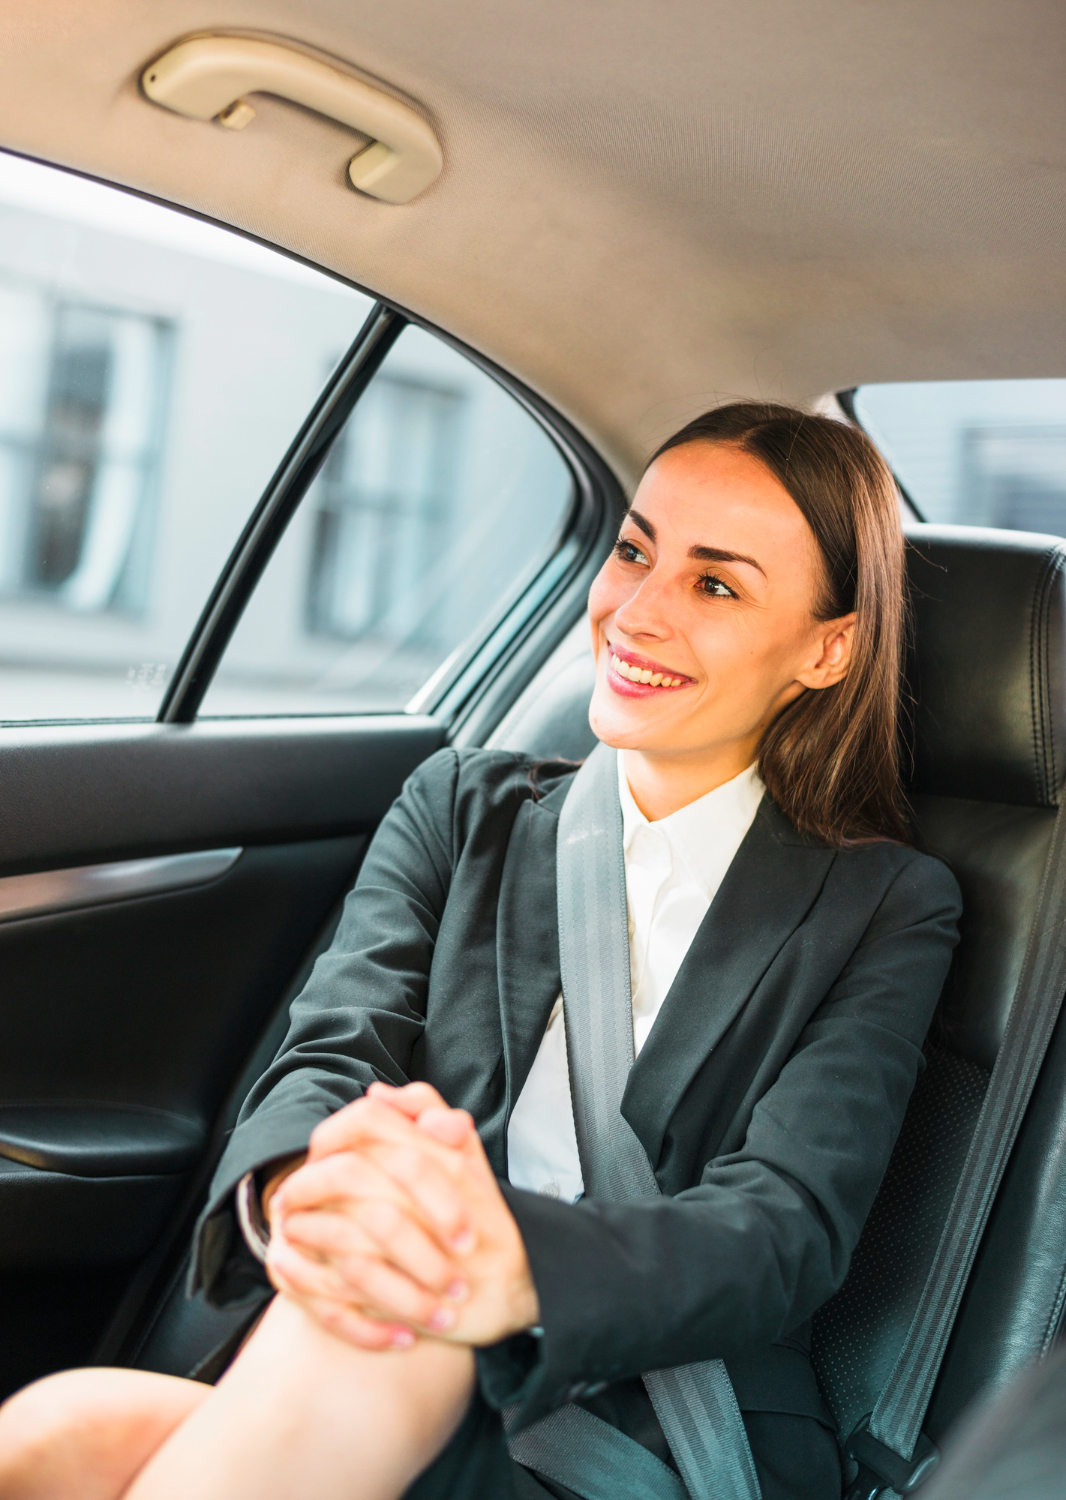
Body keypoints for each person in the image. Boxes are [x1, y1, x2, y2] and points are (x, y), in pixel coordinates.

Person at [0, 403, 962, 1500]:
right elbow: (333, 1051)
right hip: (365, 1343)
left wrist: (506, 1263)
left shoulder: (884, 905)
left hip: (647, 1421)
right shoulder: (460, 808)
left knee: (382, 1332)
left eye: (715, 585)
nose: (637, 611)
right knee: (52, 1431)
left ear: (828, 649)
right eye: (634, 551)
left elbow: (786, 1227)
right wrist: (307, 1186)